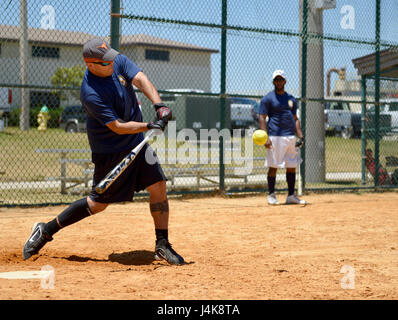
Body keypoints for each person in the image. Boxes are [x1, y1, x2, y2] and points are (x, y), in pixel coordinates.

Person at [23, 38, 185, 265]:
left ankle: (162, 244)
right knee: (97, 204)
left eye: (110, 57)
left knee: (158, 185)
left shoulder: (114, 60)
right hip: (111, 150)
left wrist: (159, 105)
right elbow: (117, 126)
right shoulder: (90, 92)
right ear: (90, 64)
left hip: (136, 143)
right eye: (105, 62)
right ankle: (45, 230)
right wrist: (149, 126)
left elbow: (139, 78)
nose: (111, 63)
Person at [258, 70, 306, 205]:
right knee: (273, 166)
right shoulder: (267, 98)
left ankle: (291, 195)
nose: (279, 82)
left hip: (290, 136)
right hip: (275, 136)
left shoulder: (291, 99)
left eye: (281, 79)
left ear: (285, 81)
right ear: (273, 82)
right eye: (276, 80)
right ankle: (271, 195)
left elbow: (296, 119)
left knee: (292, 166)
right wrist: (265, 137)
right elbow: (262, 117)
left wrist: (300, 136)